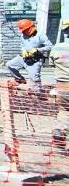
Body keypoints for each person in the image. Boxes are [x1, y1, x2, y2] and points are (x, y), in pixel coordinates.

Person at [7, 19, 53, 87]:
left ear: (30, 28)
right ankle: (20, 80)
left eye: (24, 30)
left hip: (35, 59)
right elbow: (22, 45)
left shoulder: (40, 36)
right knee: (10, 65)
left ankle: (39, 93)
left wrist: (37, 50)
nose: (23, 32)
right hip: (24, 57)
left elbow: (50, 46)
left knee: (34, 78)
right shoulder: (23, 35)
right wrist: (23, 50)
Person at [49, 19, 69, 150]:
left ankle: (59, 130)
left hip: (61, 86)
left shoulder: (57, 47)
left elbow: (51, 64)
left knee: (64, 110)